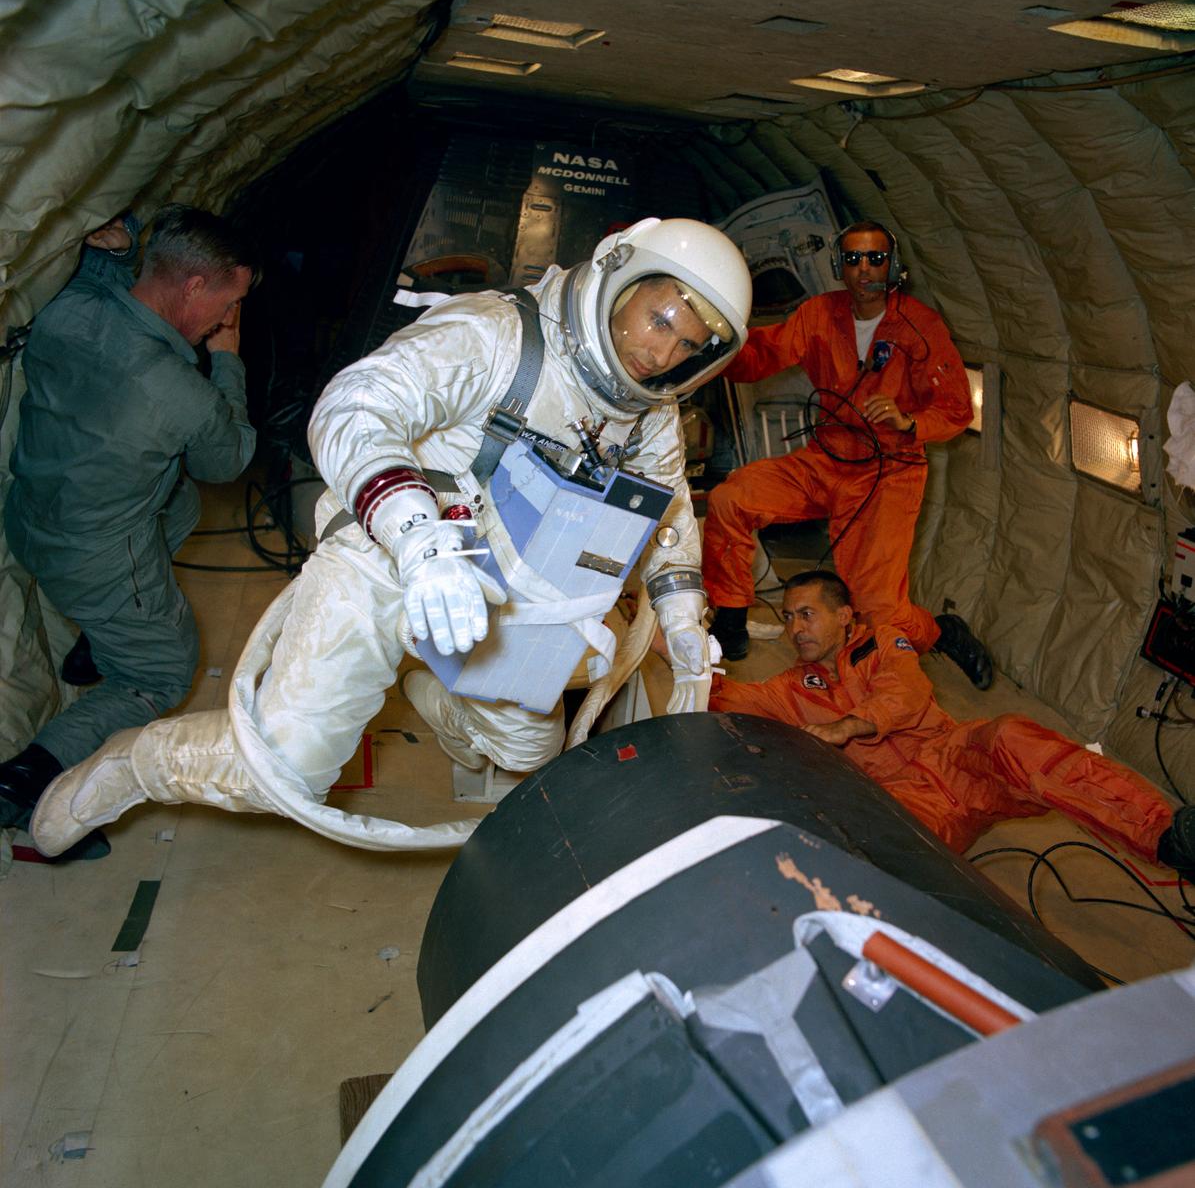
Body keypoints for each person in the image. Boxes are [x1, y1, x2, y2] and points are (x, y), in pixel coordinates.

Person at [29, 217, 753, 857]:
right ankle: (129, 766)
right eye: (658, 321)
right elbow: (354, 406)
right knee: (284, 769)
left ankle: (431, 683)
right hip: (390, 559)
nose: (659, 357)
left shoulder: (650, 411)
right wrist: (417, 536)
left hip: (505, 594)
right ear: (618, 276)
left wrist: (681, 610)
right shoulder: (497, 335)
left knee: (526, 749)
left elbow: (664, 510)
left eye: (686, 345)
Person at [0, 205, 258, 836]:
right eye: (228, 303)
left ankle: (97, 635)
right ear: (194, 286)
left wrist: (116, 250)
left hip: (31, 516)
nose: (226, 320)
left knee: (182, 501)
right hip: (96, 559)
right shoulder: (182, 391)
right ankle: (24, 778)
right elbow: (228, 458)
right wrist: (227, 358)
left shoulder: (69, 308)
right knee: (162, 672)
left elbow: (103, 272)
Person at [708, 569, 1195, 878]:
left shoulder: (884, 643)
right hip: (902, 799)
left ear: (844, 615)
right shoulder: (789, 687)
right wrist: (669, 647)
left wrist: (850, 725)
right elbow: (724, 696)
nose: (795, 629)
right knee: (865, 856)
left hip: (957, 758)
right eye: (790, 617)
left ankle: (1170, 837)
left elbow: (905, 693)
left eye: (807, 615)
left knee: (1011, 735)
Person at [704, 220, 993, 688]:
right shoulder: (820, 314)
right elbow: (762, 356)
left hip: (888, 472)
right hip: (825, 459)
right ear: (840, 266)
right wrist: (715, 340)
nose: (864, 269)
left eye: (875, 258)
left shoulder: (921, 326)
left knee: (874, 608)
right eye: (854, 258)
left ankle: (940, 632)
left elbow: (956, 408)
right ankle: (731, 624)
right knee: (731, 498)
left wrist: (908, 420)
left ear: (893, 266)